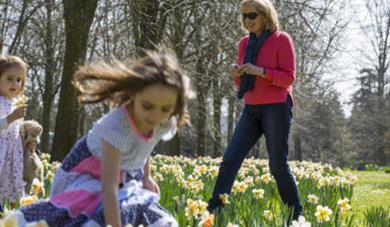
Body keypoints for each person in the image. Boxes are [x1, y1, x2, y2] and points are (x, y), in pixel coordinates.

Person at [12, 50, 194, 227]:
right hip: (90, 173)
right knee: (100, 215)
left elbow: (144, 145)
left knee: (159, 219)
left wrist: (147, 177)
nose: (155, 115)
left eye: (165, 109)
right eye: (148, 106)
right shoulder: (116, 127)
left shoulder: (165, 120)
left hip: (126, 174)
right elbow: (109, 187)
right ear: (133, 95)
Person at [207, 0, 303, 220]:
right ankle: (214, 212)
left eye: (252, 15)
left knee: (277, 165)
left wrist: (261, 71)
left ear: (265, 15)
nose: (247, 20)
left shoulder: (281, 40)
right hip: (251, 108)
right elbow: (244, 86)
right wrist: (237, 75)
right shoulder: (244, 43)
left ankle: (297, 216)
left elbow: (288, 78)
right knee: (230, 159)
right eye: (244, 16)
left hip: (276, 107)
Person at [0, 56, 28, 211]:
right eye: (9, 78)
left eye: (19, 80)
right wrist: (11, 117)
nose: (15, 84)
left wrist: (28, 139)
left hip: (12, 154)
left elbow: (18, 128)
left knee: (11, 185)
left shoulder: (16, 102)